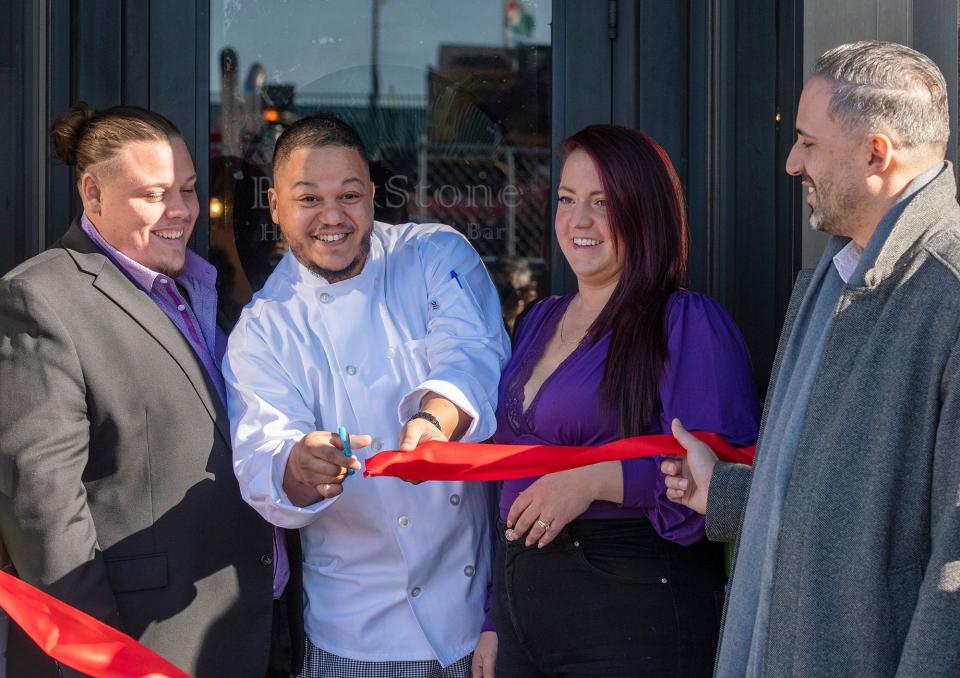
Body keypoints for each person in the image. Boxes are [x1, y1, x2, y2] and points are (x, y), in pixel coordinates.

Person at [662, 41, 960, 677]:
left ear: (876, 152)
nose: (793, 163)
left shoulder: (948, 290)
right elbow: (863, 508)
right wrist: (730, 492)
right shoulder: (838, 269)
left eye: (808, 142)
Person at [0, 103, 301, 677]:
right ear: (92, 194)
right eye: (155, 194)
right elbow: (43, 515)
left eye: (187, 189)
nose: (182, 211)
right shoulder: (40, 298)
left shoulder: (196, 288)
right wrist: (108, 663)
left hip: (249, 628)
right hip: (143, 649)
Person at [222, 113, 510, 678]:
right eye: (309, 199)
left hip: (475, 618)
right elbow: (262, 458)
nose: (333, 217)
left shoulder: (433, 254)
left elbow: (472, 352)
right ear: (276, 205)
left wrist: (433, 421)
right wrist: (301, 465)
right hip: (356, 633)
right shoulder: (262, 329)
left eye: (349, 195)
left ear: (373, 196)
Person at [471, 124, 760, 678]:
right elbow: (505, 474)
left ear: (644, 212)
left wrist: (594, 481)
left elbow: (723, 477)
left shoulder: (685, 322)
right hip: (523, 609)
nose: (579, 220)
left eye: (602, 203)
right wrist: (494, 619)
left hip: (631, 610)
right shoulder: (538, 320)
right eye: (567, 200)